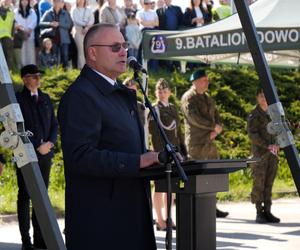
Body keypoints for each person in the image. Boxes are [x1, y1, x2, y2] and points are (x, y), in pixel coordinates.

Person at [58, 23, 159, 250]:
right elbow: (80, 156)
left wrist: (156, 159)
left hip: (129, 216)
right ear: (92, 53)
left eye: (124, 45)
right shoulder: (81, 96)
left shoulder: (119, 94)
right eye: (115, 47)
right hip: (103, 226)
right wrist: (137, 161)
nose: (124, 51)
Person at [15, 64, 58, 250]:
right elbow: (17, 129)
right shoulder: (17, 100)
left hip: (45, 154)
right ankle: (26, 240)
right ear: (25, 79)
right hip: (25, 155)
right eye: (34, 76)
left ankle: (41, 238)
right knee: (25, 196)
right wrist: (35, 147)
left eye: (39, 76)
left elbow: (54, 125)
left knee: (42, 196)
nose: (38, 79)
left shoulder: (46, 98)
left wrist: (50, 143)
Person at [181, 69, 229, 218]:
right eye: (204, 80)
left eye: (207, 80)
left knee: (213, 173)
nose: (207, 82)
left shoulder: (208, 97)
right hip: (196, 144)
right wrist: (212, 127)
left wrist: (218, 128)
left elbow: (216, 115)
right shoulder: (188, 98)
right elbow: (194, 118)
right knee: (198, 176)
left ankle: (211, 205)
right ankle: (197, 207)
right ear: (195, 82)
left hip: (209, 141)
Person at [148, 78, 187, 231]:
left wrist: (181, 149)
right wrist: (159, 154)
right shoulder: (154, 109)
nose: (162, 94)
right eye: (159, 91)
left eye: (164, 91)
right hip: (162, 152)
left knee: (171, 187)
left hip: (174, 152)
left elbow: (178, 131)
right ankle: (159, 219)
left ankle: (169, 217)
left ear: (169, 92)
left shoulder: (172, 108)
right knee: (159, 187)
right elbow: (154, 134)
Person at [247, 88, 280, 223]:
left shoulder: (274, 113)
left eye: (266, 96)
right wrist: (267, 145)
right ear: (257, 98)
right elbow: (252, 135)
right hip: (260, 155)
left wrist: (278, 144)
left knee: (269, 183)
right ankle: (258, 211)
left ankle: (268, 210)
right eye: (261, 96)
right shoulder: (254, 115)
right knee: (259, 183)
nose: (264, 99)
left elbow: (281, 129)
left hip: (272, 155)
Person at [40, 0, 73, 68]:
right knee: (55, 57)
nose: (57, 3)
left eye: (58, 1)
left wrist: (59, 24)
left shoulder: (65, 13)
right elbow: (41, 23)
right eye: (55, 1)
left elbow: (69, 25)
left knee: (65, 56)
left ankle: (65, 73)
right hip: (53, 39)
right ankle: (56, 73)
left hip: (64, 39)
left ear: (61, 3)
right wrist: (50, 24)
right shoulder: (48, 12)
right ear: (52, 2)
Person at [71, 0, 94, 69]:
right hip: (78, 30)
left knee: (88, 49)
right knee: (81, 49)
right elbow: (76, 20)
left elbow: (92, 19)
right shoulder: (74, 9)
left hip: (88, 30)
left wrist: (87, 27)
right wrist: (85, 25)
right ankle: (81, 67)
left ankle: (89, 67)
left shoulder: (89, 9)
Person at [14, 0, 37, 66]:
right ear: (20, 1)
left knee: (30, 52)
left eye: (26, 0)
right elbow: (15, 22)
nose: (24, 2)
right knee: (22, 52)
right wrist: (22, 31)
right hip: (20, 35)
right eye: (23, 0)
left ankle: (31, 67)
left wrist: (28, 31)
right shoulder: (16, 11)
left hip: (30, 35)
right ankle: (22, 67)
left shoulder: (32, 11)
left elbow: (34, 21)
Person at [0, 0, 14, 70]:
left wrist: (12, 36)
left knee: (8, 56)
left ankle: (8, 72)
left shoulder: (11, 12)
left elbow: (12, 25)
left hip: (7, 37)